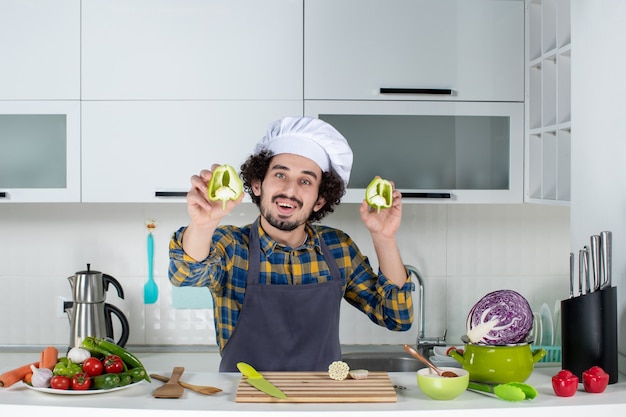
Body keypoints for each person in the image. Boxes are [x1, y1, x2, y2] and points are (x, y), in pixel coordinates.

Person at [168, 116, 414, 372]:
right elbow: (184, 275)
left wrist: (384, 237)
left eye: (306, 181)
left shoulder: (338, 248)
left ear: (320, 200)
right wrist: (203, 224)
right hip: (244, 402)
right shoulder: (231, 246)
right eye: (280, 174)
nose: (290, 190)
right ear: (257, 184)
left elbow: (397, 317)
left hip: (319, 402)